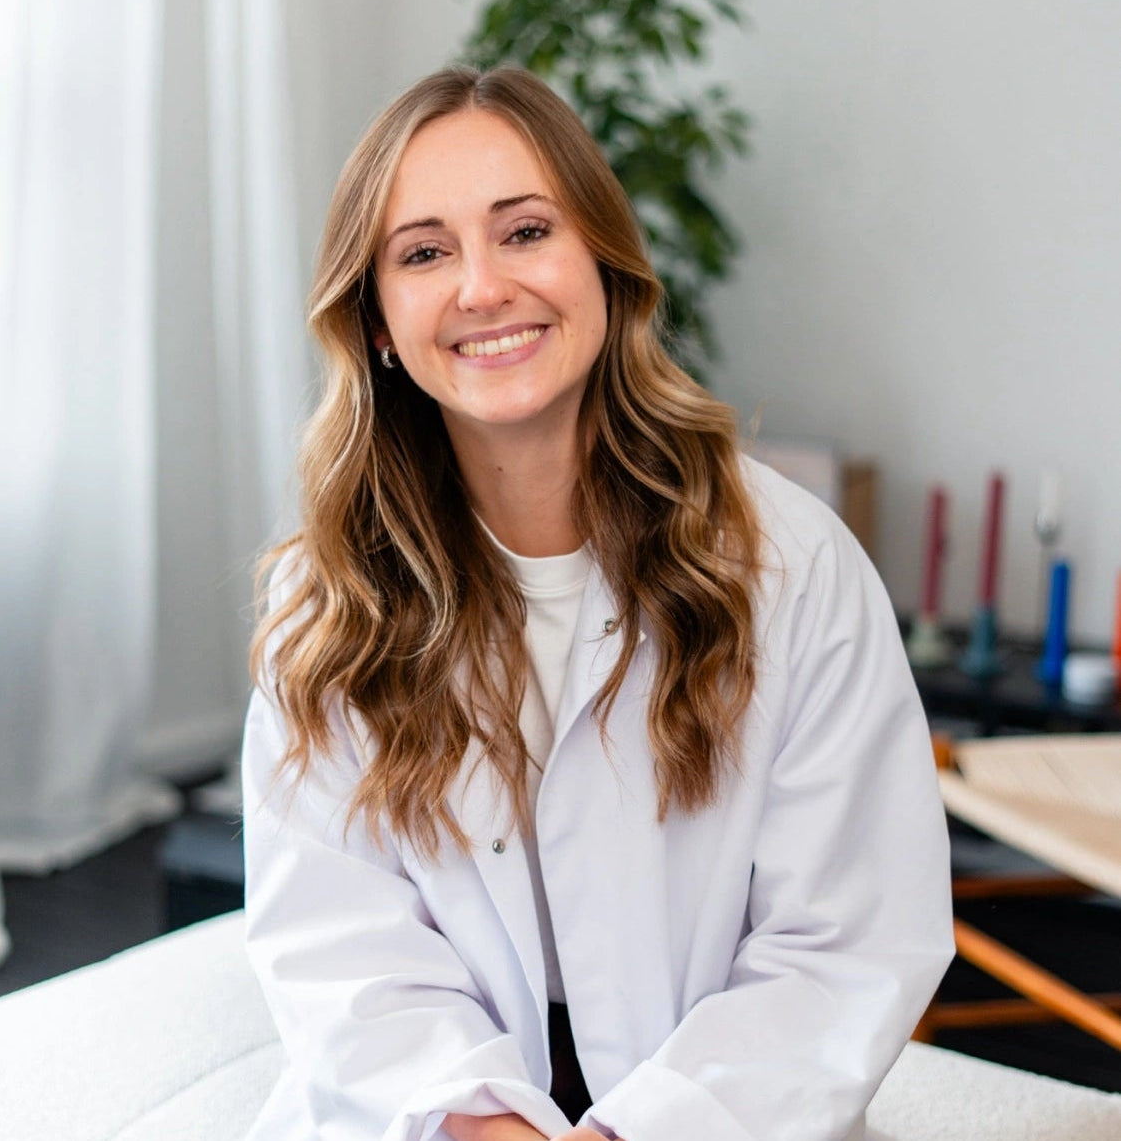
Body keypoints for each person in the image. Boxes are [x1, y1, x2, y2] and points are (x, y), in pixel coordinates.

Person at [241, 65, 953, 1141]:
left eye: (526, 232)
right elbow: (338, 951)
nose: (483, 287)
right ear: (378, 321)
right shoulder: (327, 600)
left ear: (606, 267)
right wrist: (490, 1128)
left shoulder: (795, 568)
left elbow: (846, 945)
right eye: (425, 253)